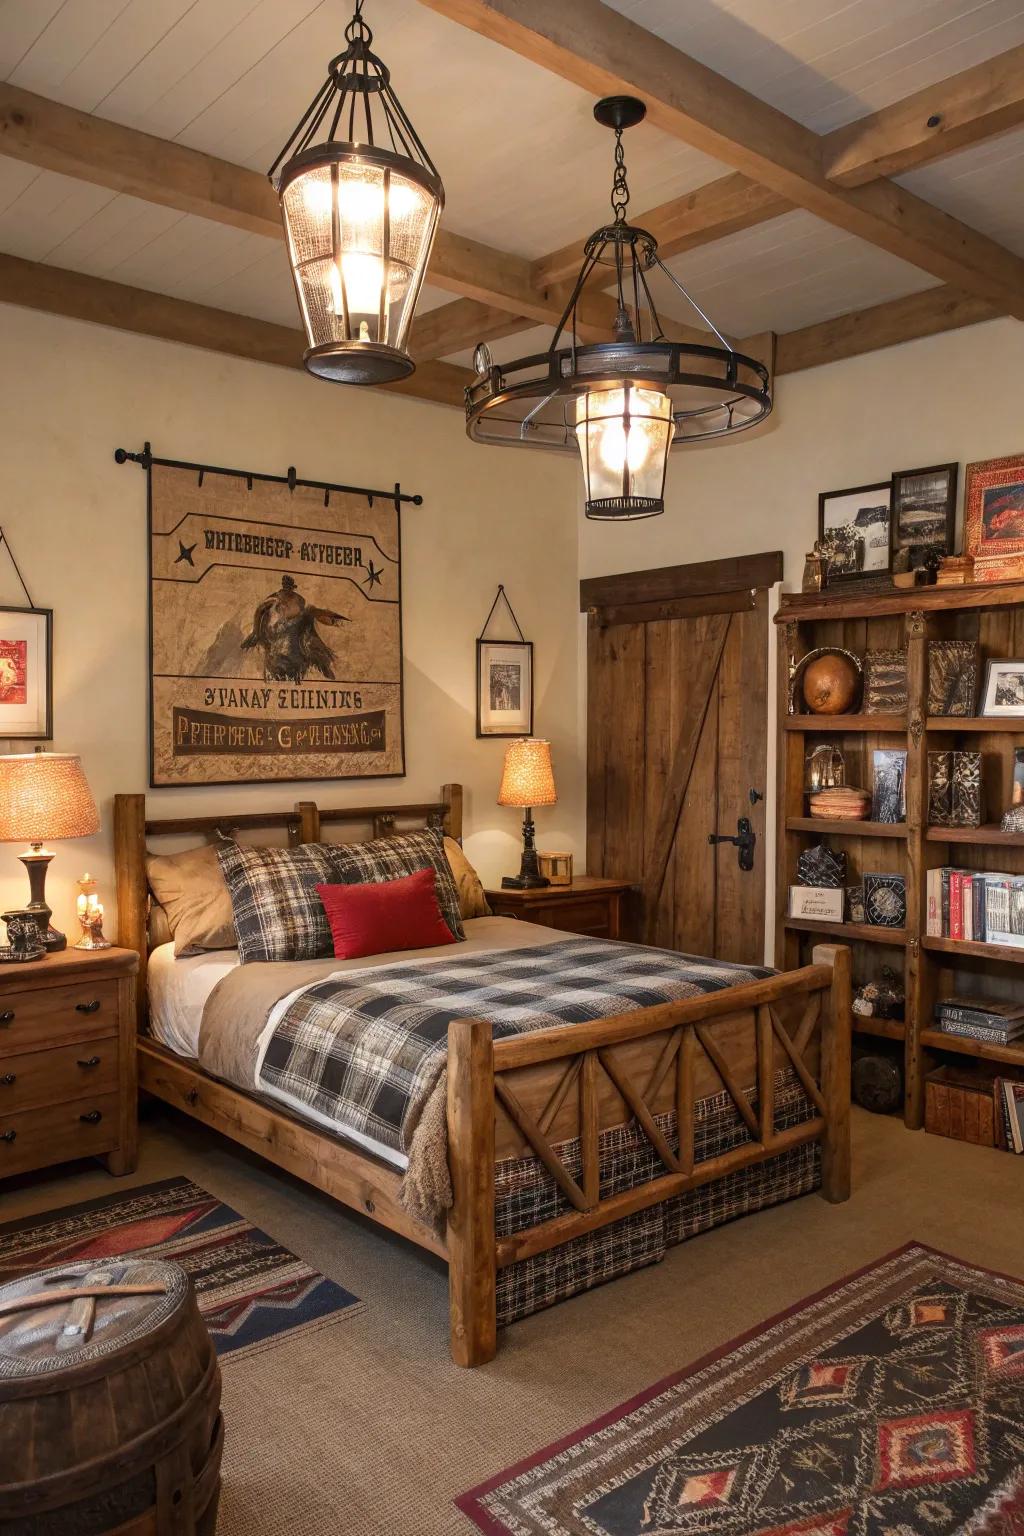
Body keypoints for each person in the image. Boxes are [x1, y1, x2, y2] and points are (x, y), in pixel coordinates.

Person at [241, 574, 349, 682]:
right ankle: (323, 666)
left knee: (310, 645)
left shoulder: (297, 608)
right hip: (277, 662)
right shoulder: (272, 605)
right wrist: (256, 633)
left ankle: (323, 666)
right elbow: (261, 612)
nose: (284, 605)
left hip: (292, 662)